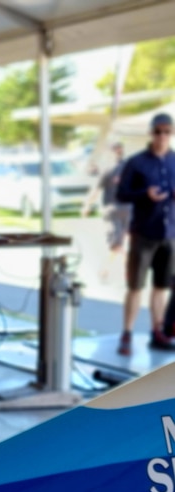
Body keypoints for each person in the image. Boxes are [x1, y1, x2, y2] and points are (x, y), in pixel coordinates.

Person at [115, 113, 175, 355]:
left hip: (169, 234)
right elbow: (121, 194)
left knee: (161, 287)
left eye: (167, 131)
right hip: (143, 234)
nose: (162, 136)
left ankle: (156, 332)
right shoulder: (136, 162)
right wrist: (144, 193)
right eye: (158, 131)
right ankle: (127, 333)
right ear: (151, 133)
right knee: (135, 287)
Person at [81, 142, 130, 280]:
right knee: (120, 242)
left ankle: (116, 269)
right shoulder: (130, 168)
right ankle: (116, 269)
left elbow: (96, 190)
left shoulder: (108, 170)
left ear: (112, 152)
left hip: (112, 210)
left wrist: (87, 205)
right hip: (129, 209)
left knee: (115, 243)